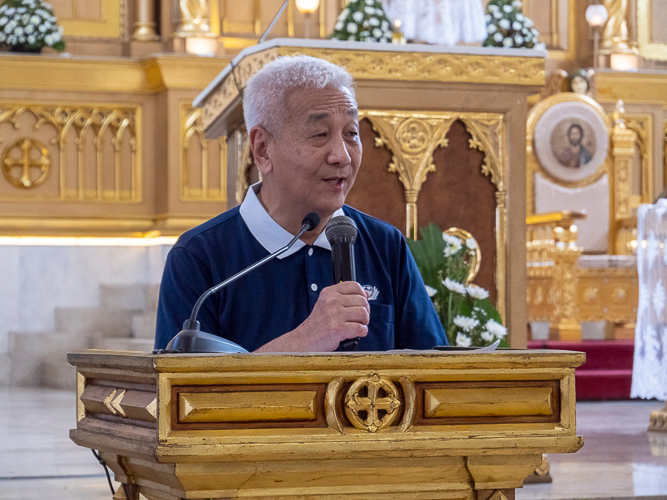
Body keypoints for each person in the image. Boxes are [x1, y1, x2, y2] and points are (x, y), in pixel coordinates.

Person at [154, 55, 446, 352]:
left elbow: (434, 376)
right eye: (320, 135)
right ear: (263, 149)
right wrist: (307, 339)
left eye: (351, 134)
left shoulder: (384, 245)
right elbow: (184, 393)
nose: (342, 156)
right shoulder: (199, 257)